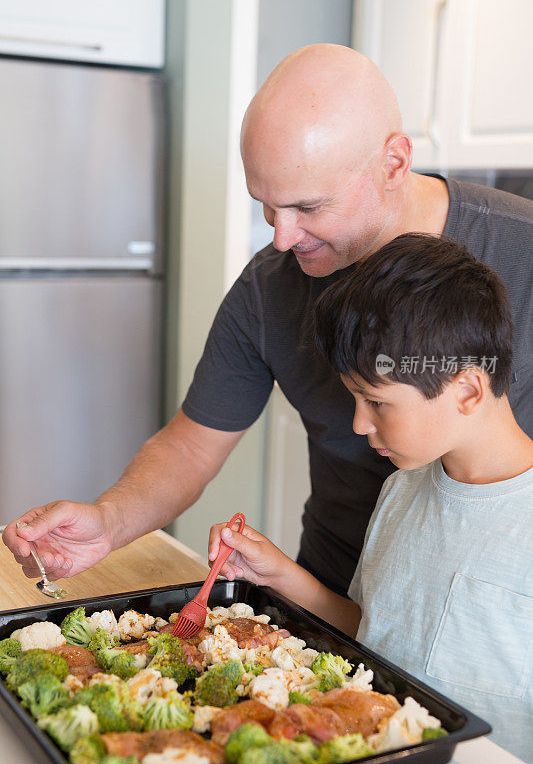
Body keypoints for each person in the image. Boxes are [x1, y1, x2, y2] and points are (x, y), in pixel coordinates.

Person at [3, 44, 533, 595]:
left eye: (308, 207)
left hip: (495, 619)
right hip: (332, 600)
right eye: (266, 204)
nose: (282, 238)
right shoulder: (271, 285)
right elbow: (191, 445)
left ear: (394, 163)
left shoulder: (523, 249)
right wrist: (109, 522)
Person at [207, 234, 533, 762]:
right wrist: (280, 576)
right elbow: (374, 634)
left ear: (468, 391)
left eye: (376, 402)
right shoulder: (403, 489)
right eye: (355, 398)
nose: (359, 423)